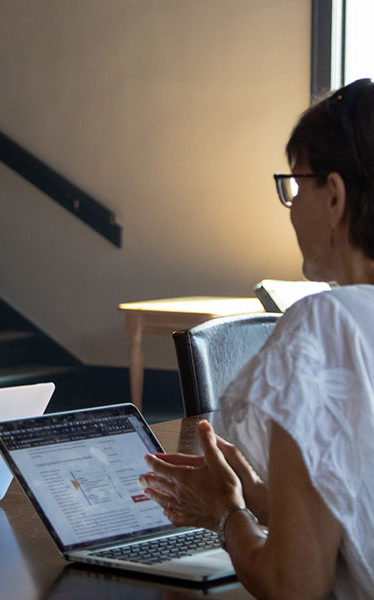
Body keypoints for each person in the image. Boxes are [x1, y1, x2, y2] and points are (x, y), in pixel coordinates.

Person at [139, 78, 374, 599]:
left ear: (334, 196)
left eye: (295, 185)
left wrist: (226, 511)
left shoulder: (324, 327)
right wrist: (264, 502)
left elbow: (295, 587)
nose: (290, 207)